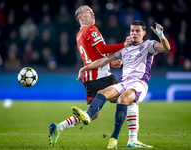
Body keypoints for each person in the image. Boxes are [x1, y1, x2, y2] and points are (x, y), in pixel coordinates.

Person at [72, 20, 170, 149]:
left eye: (137, 31)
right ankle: (88, 115)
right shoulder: (124, 49)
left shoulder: (148, 45)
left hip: (139, 83)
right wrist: (84, 69)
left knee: (123, 99)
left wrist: (161, 35)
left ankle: (114, 138)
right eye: (132, 31)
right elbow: (104, 60)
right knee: (102, 93)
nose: (134, 33)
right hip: (125, 82)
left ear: (144, 33)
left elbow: (166, 48)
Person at [48, 5, 131, 146]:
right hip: (101, 76)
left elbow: (92, 57)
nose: (92, 13)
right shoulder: (91, 29)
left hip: (89, 78)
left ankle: (58, 127)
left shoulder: (79, 34)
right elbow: (103, 49)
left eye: (92, 11)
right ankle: (119, 139)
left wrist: (110, 64)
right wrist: (124, 44)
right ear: (80, 17)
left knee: (94, 114)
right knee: (128, 96)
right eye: (88, 11)